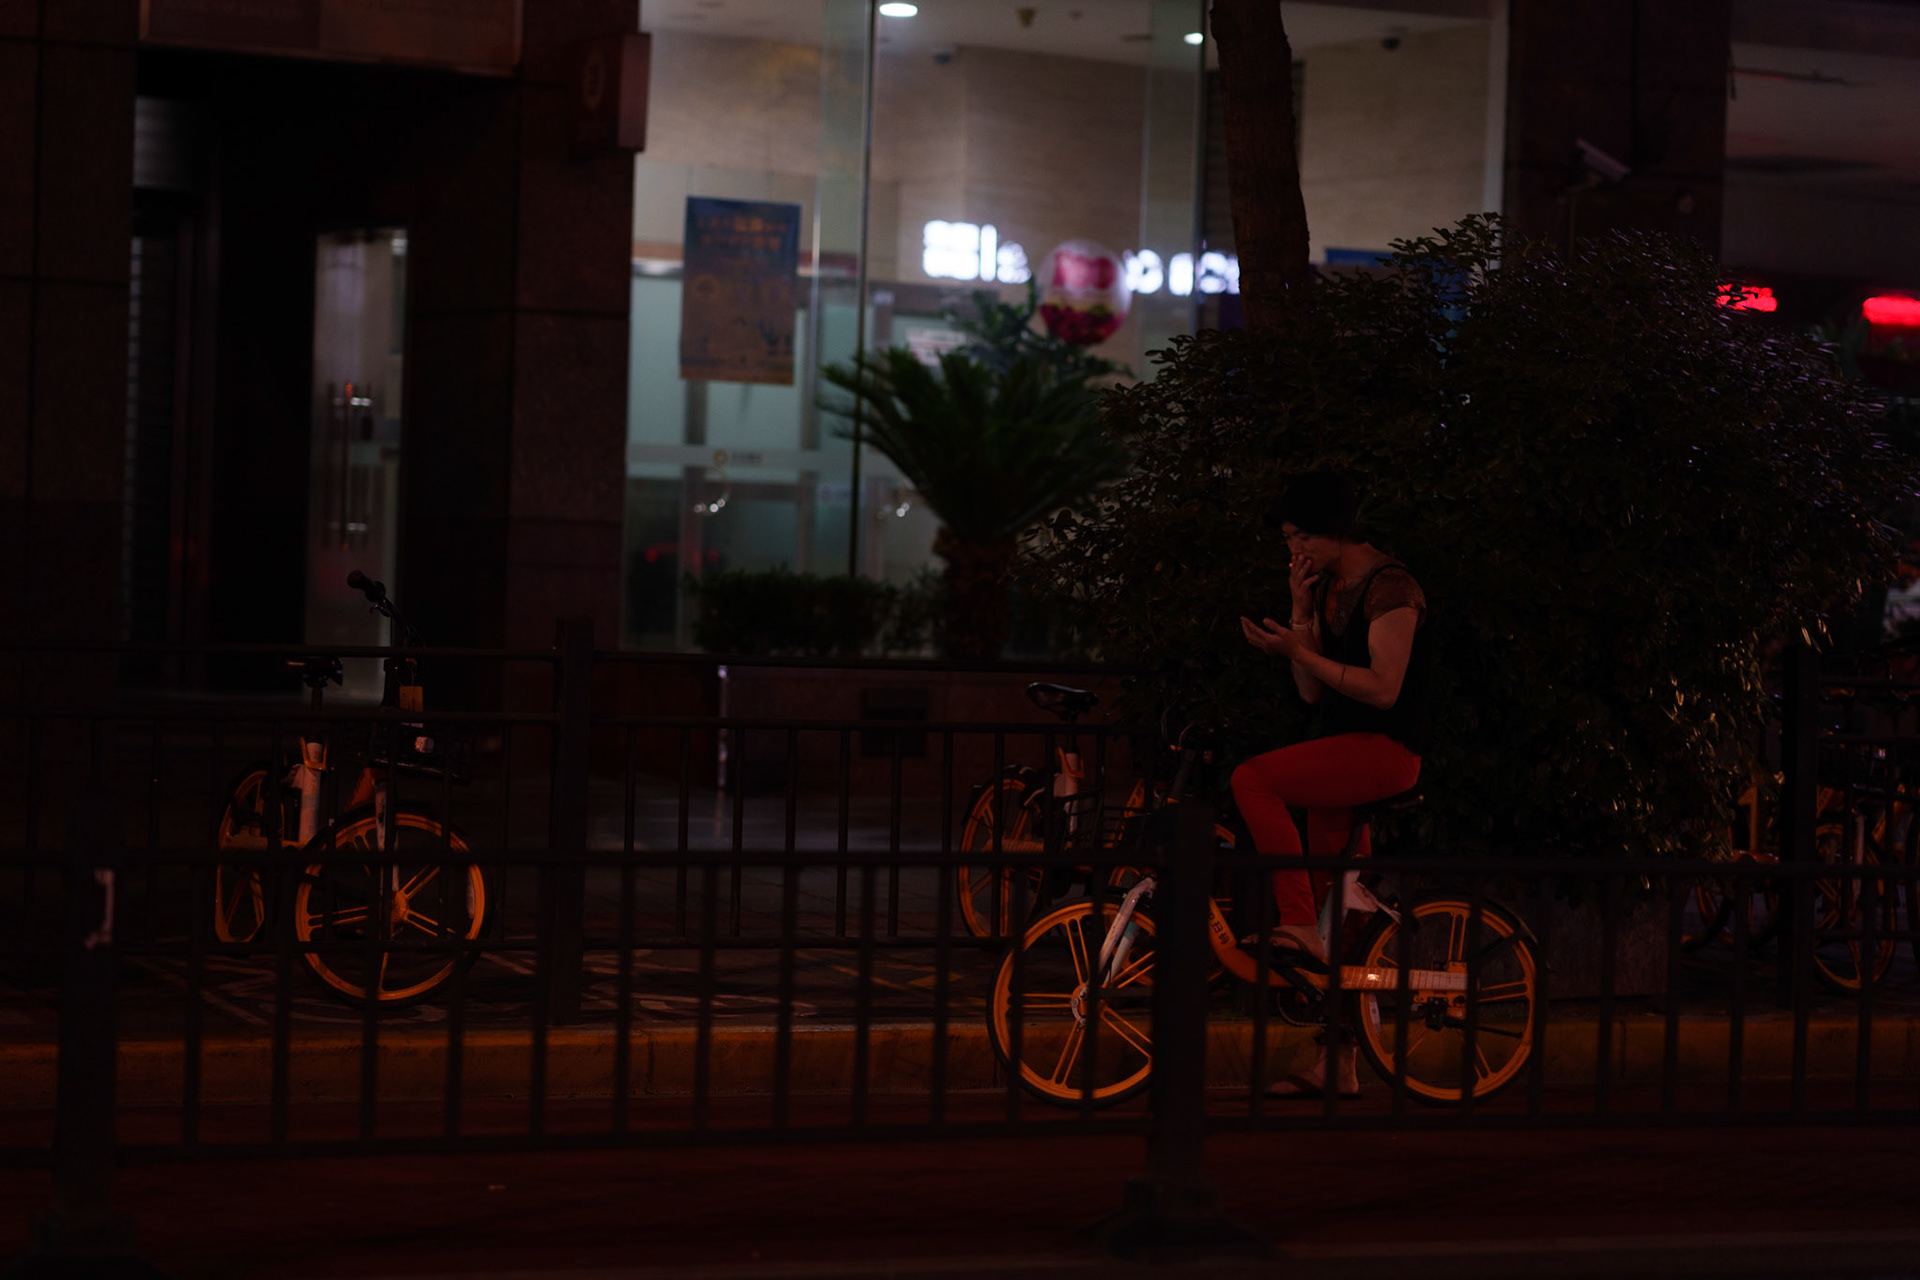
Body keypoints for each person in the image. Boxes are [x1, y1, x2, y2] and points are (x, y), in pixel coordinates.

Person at [1232, 472, 1429, 1098]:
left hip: (1386, 752)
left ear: (1334, 531)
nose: (1294, 551)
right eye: (1288, 540)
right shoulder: (1329, 589)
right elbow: (1312, 693)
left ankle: (1295, 920)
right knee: (1341, 922)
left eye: (1300, 538)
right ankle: (1339, 1065)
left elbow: (1384, 689)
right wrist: (1298, 614)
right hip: (1343, 756)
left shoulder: (1391, 586)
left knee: (1252, 779)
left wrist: (1300, 650)